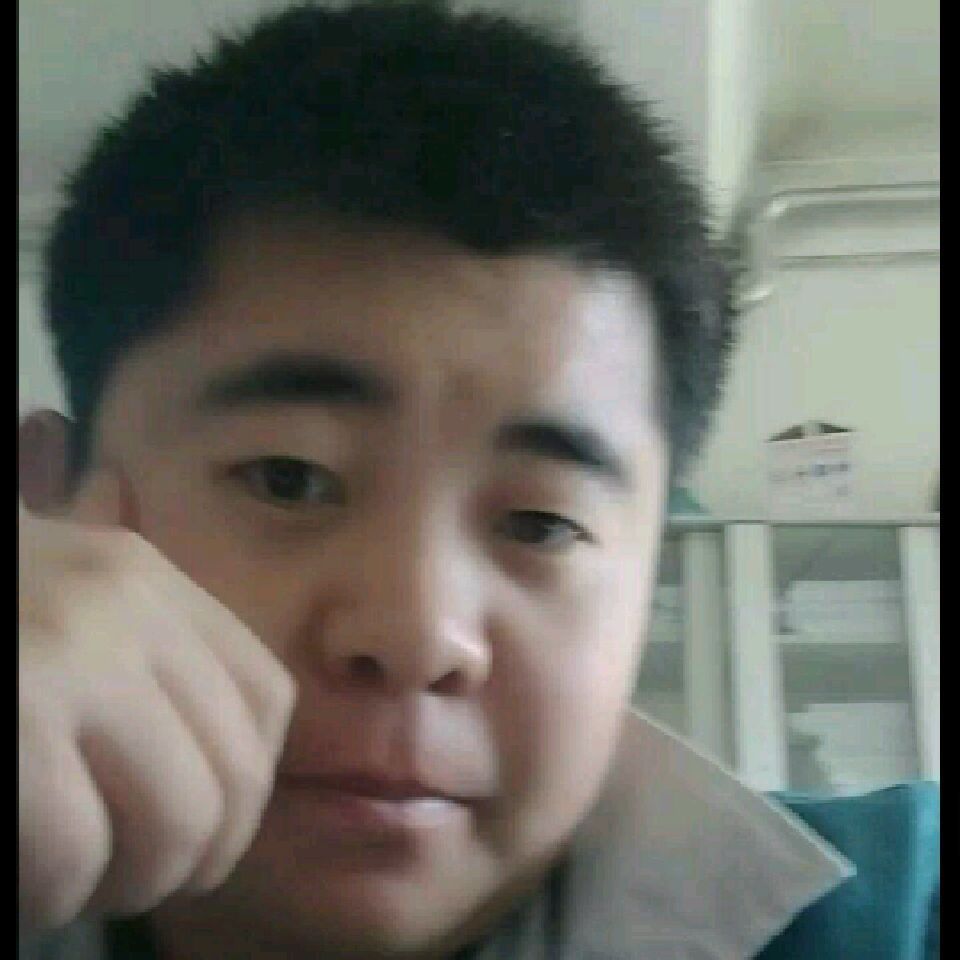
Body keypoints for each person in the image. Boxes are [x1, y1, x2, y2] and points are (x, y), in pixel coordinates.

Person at [20, 2, 919, 957]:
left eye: (540, 523)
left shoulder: (898, 913)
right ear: (48, 498)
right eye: (288, 478)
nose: (416, 635)